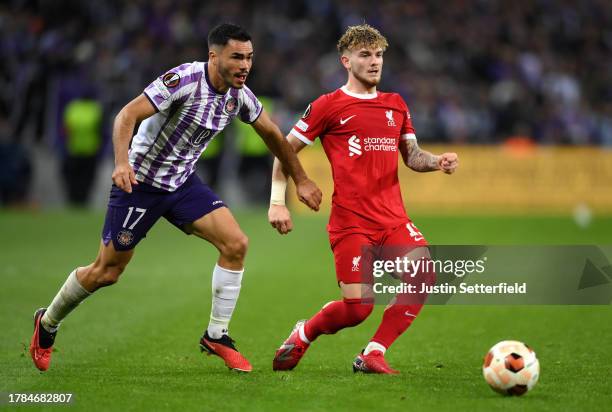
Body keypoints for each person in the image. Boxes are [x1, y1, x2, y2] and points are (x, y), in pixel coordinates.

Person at [30, 23, 322, 373]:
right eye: (236, 57)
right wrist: (122, 162)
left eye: (249, 58)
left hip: (182, 184)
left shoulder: (239, 96)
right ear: (214, 57)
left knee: (236, 244)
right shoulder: (183, 80)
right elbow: (127, 115)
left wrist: (301, 179)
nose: (245, 65)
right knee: (107, 272)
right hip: (139, 183)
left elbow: (274, 135)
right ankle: (46, 323)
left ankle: (216, 335)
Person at [269, 24, 458, 374]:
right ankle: (304, 332)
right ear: (346, 60)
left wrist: (437, 162)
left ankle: (374, 352)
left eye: (379, 55)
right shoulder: (328, 106)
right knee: (358, 308)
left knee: (424, 275)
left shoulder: (396, 104)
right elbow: (283, 151)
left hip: (392, 219)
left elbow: (412, 156)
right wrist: (279, 200)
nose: (374, 62)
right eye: (365, 55)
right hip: (351, 222)